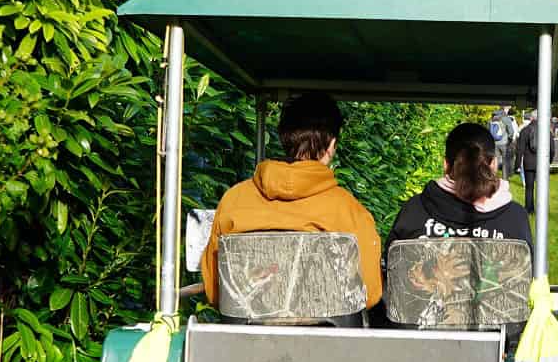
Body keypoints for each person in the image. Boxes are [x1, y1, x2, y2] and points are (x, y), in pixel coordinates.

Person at [200, 92, 382, 312]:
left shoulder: (234, 200)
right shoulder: (349, 210)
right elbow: (369, 293)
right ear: (332, 144)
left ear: (283, 137)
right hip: (325, 341)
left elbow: (214, 290)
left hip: (248, 338)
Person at [387, 121, 533, 249]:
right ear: (493, 164)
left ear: (446, 164)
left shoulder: (413, 210)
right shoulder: (515, 218)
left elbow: (390, 269)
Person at [515, 113, 540, 202]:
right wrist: (550, 160)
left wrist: (517, 165)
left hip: (528, 162)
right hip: (542, 162)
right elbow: (552, 148)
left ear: (531, 118)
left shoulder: (525, 130)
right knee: (542, 187)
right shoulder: (545, 130)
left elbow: (520, 149)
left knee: (529, 187)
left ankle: (529, 208)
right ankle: (542, 209)